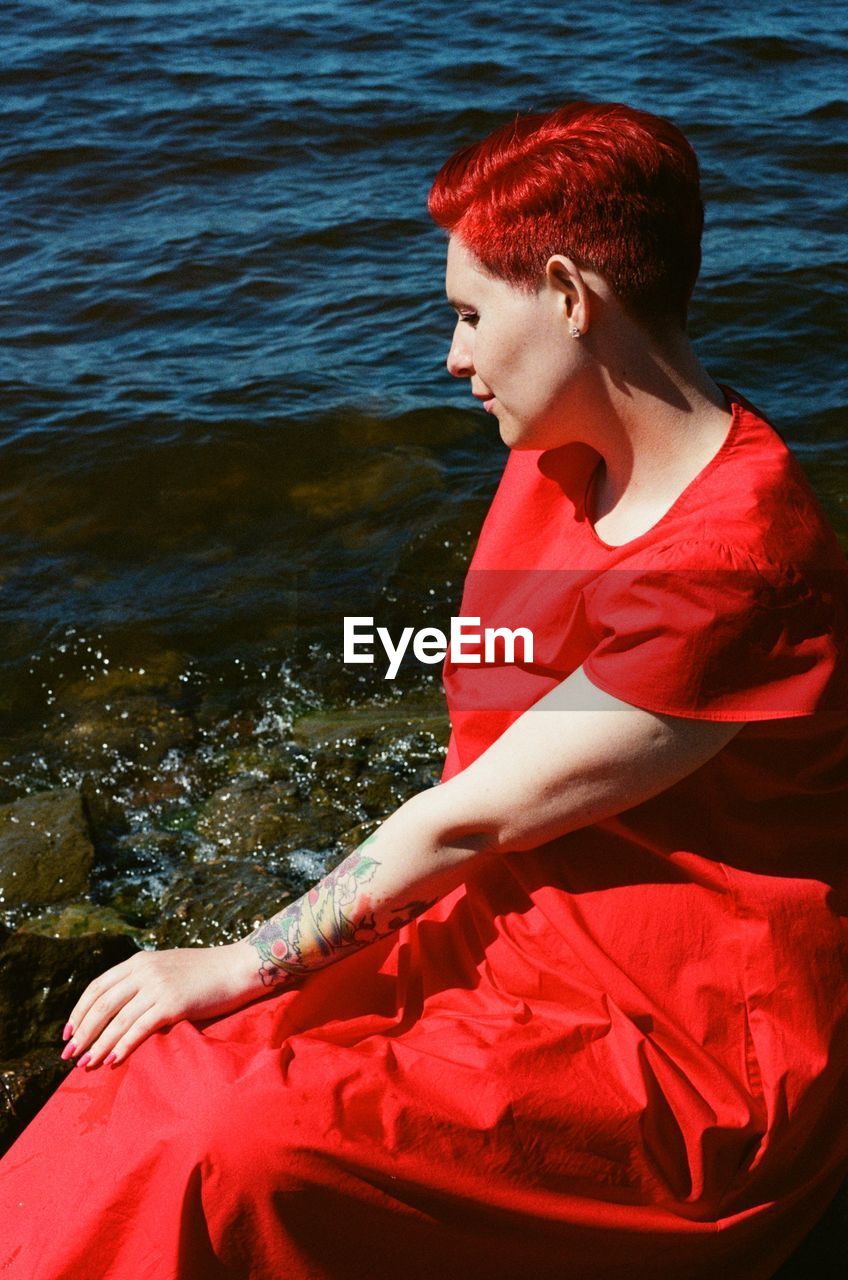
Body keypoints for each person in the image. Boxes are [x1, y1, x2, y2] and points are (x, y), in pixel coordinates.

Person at [1, 100, 846, 1280]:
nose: (450, 355)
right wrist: (360, 667)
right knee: (155, 1072)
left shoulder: (733, 570)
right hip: (512, 907)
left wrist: (233, 957)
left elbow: (471, 815)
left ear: (566, 294)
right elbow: (514, 683)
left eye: (465, 312)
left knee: (220, 1132)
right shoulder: (563, 458)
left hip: (669, 1030)